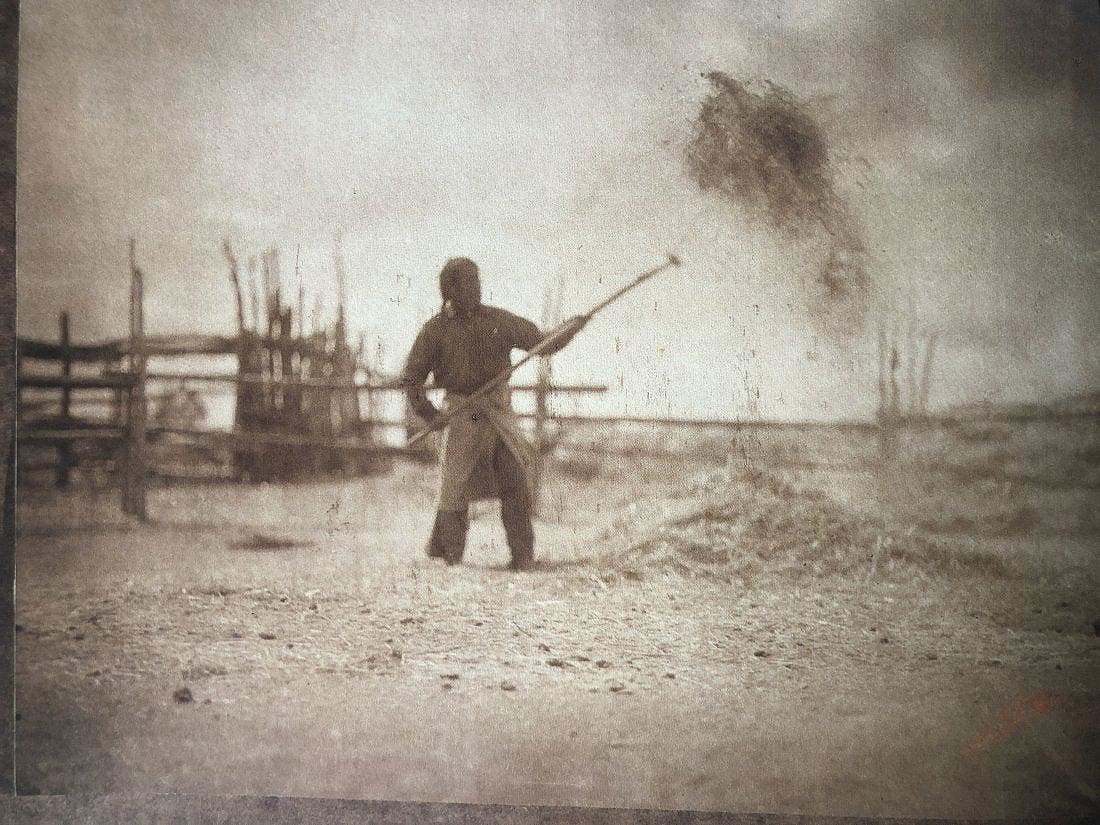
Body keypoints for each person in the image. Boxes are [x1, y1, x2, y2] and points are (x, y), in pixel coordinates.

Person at [403, 257, 586, 570]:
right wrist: (430, 414)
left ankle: (523, 555)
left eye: (477, 280)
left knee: (514, 478)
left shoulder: (497, 320)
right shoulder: (435, 331)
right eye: (468, 282)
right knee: (455, 485)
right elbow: (412, 378)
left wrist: (570, 329)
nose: (476, 287)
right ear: (449, 289)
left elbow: (540, 343)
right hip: (461, 413)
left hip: (498, 413)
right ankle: (448, 553)